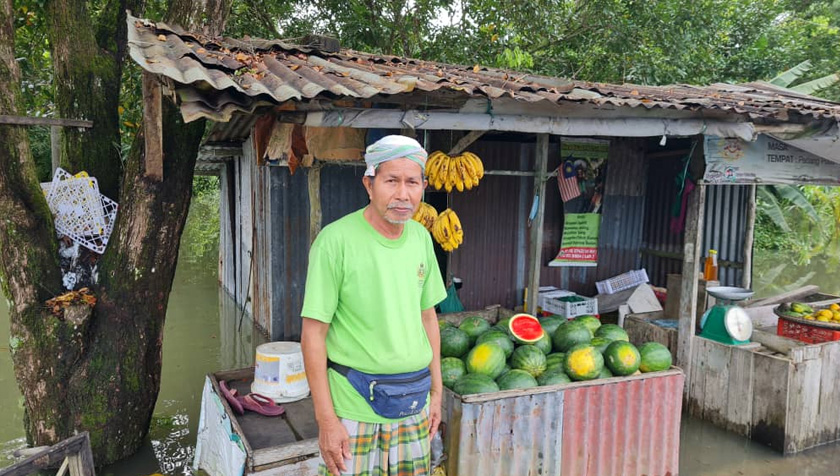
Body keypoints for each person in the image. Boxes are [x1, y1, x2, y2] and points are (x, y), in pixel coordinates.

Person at [300, 135, 447, 476]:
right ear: (369, 184)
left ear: (423, 187)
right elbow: (313, 335)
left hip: (415, 403)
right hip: (354, 408)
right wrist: (326, 420)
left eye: (412, 182)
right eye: (391, 181)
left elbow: (428, 318)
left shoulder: (421, 239)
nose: (403, 194)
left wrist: (437, 392)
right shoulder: (335, 242)